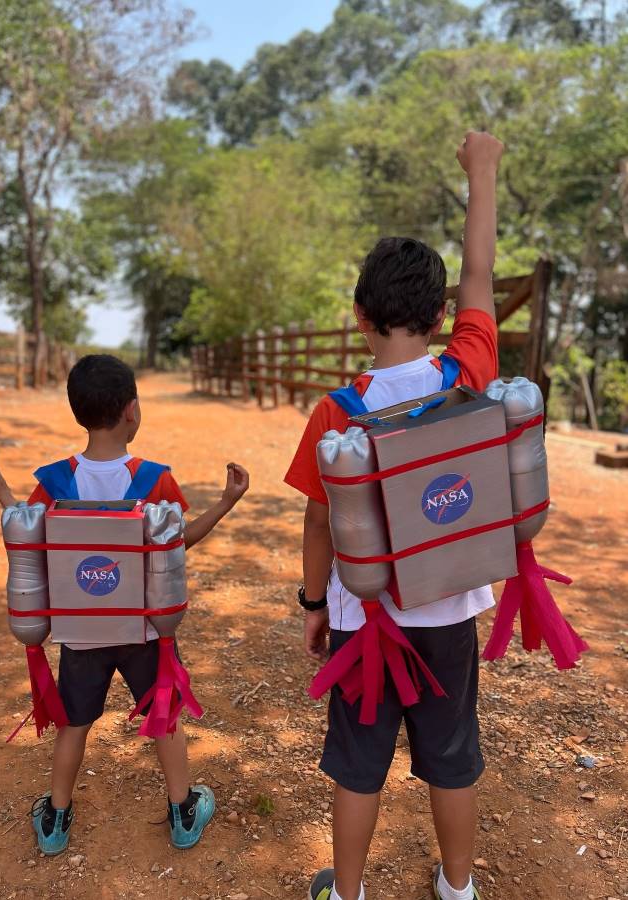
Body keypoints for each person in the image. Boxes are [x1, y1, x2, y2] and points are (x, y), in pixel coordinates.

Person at [284, 131, 504, 900]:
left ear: (357, 316)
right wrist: (483, 170)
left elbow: (319, 523)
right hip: (448, 612)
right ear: (442, 316)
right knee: (452, 756)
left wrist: (314, 605)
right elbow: (481, 272)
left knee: (358, 762)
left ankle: (346, 893)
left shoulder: (335, 414)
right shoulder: (469, 372)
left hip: (364, 620)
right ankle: (457, 887)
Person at [0, 354, 249, 855]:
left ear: (77, 411)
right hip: (146, 631)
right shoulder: (155, 480)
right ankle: (184, 810)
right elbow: (180, 541)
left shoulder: (55, 483)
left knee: (74, 725)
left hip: (82, 635)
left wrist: (1, 491)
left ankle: (56, 818)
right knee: (163, 718)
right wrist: (226, 501)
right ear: (132, 410)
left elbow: (28, 534)